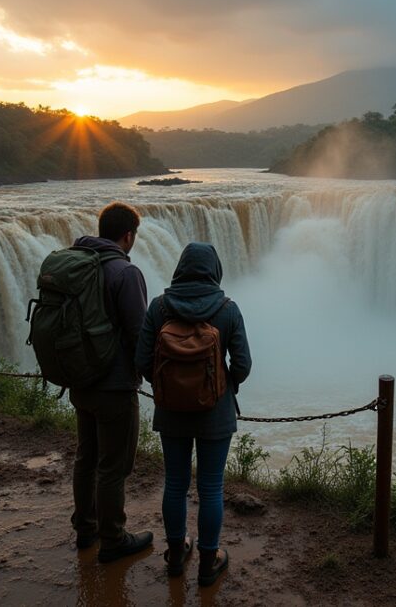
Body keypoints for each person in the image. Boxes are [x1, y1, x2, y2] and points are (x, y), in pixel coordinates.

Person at [135, 242, 252, 587]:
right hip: (216, 413)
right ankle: (208, 561)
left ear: (181, 267)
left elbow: (142, 360)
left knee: (175, 483)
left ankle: (175, 555)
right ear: (214, 270)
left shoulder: (159, 308)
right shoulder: (228, 310)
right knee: (211, 486)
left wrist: (167, 388)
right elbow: (243, 364)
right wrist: (223, 384)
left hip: (171, 411)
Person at [70, 201, 153, 562]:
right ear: (128, 235)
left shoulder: (77, 262)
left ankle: (85, 530)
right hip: (114, 385)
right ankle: (113, 539)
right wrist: (155, 379)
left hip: (80, 378)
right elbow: (140, 334)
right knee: (113, 465)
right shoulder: (125, 272)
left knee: (86, 457)